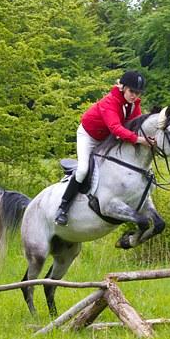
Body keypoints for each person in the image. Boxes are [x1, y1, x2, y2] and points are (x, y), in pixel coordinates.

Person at [55, 70, 154, 226]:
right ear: (123, 88)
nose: (134, 95)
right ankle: (63, 207)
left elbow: (135, 126)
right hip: (88, 137)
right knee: (82, 170)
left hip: (107, 139)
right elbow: (116, 128)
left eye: (138, 92)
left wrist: (149, 137)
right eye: (132, 91)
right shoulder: (110, 101)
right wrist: (140, 139)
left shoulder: (134, 104)